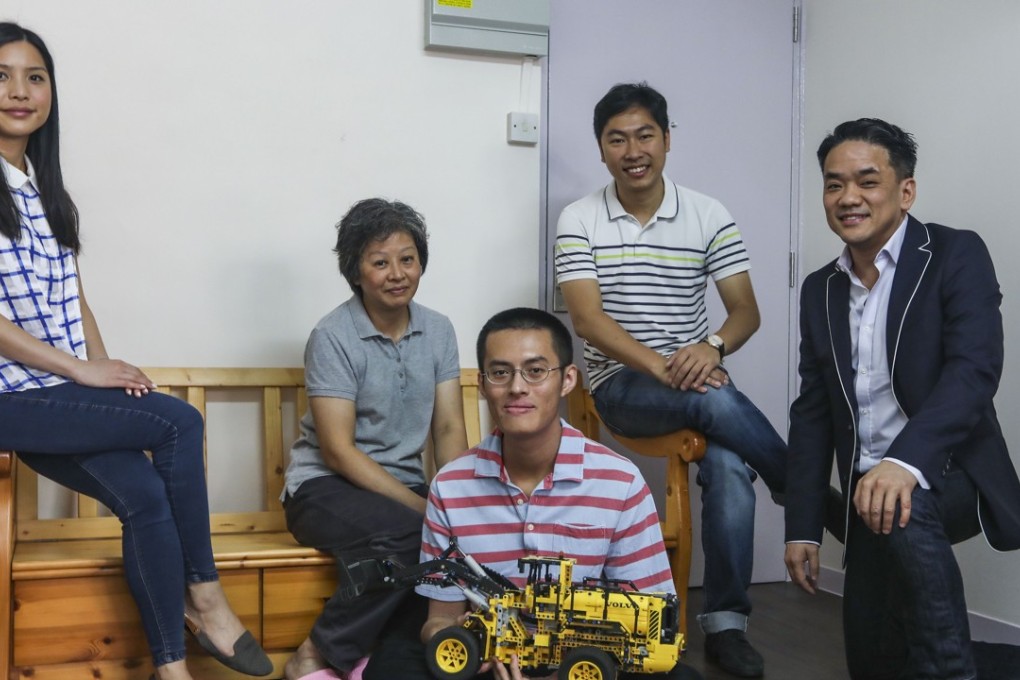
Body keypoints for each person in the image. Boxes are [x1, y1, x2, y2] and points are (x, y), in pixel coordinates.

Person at [0, 22, 271, 680]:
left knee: (145, 494)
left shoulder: (43, 188)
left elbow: (75, 303)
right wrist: (80, 372)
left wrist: (104, 375)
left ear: (52, 93)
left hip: (55, 395)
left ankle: (170, 669)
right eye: (1, 76)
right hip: (12, 396)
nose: (19, 91)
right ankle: (205, 598)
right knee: (181, 420)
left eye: (35, 77)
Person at [553, 82, 785, 678]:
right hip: (622, 387)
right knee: (713, 399)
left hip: (699, 381)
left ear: (667, 139)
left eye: (645, 134)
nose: (633, 149)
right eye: (617, 138)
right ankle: (800, 484)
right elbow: (587, 319)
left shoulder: (709, 212)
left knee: (731, 466)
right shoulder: (579, 218)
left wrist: (708, 348)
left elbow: (745, 313)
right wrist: (663, 365)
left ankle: (726, 625)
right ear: (602, 149)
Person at [785, 118, 1020, 679]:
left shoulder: (955, 254)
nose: (848, 198)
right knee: (874, 661)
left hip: (952, 471)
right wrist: (802, 525)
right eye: (833, 183)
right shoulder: (821, 288)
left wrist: (902, 463)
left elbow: (974, 371)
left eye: (867, 181)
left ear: (905, 190)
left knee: (902, 511)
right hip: (866, 493)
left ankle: (953, 671)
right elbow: (814, 413)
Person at [363, 307, 701, 680]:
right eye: (500, 372)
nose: (517, 387)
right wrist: (469, 651)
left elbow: (647, 607)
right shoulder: (451, 485)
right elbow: (440, 617)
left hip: (586, 666)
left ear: (567, 380)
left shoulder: (620, 481)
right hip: (490, 667)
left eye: (536, 371)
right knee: (390, 667)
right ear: (483, 384)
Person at [281, 198, 468, 680]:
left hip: (396, 490)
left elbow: (448, 430)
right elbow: (338, 450)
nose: (397, 273)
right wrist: (423, 509)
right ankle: (316, 653)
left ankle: (388, 658)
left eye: (407, 259)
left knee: (470, 539)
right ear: (356, 272)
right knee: (412, 535)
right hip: (323, 488)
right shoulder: (334, 335)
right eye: (379, 262)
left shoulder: (439, 330)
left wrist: (460, 505)